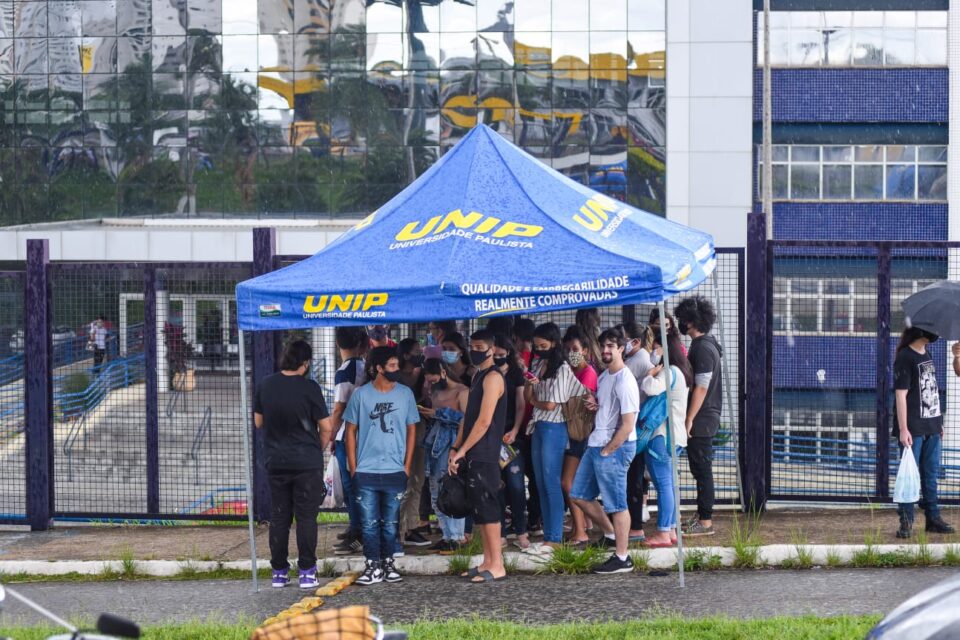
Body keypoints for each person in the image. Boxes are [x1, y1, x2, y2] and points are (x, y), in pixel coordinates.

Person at [253, 340, 333, 589]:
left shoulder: (265, 385)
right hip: (306, 463)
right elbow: (327, 427)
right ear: (306, 362)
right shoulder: (310, 388)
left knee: (279, 517)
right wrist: (314, 449)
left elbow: (258, 422)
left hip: (276, 461)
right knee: (306, 517)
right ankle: (307, 571)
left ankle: (279, 572)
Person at [345, 347, 420, 586]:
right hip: (366, 470)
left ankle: (388, 564)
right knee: (368, 524)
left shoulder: (406, 394)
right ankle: (372, 566)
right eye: (392, 366)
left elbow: (412, 429)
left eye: (397, 365)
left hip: (395, 470)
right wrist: (353, 466)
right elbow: (350, 430)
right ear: (378, 368)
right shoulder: (360, 395)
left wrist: (407, 465)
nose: (397, 370)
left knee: (390, 524)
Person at [569, 328, 640, 574]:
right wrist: (595, 405)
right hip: (596, 443)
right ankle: (610, 535)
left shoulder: (625, 380)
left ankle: (623, 558)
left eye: (612, 346)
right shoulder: (604, 376)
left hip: (613, 447)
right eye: (604, 346)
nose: (606, 350)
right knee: (578, 495)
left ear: (621, 348)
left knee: (617, 504)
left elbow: (628, 424)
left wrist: (610, 450)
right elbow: (608, 408)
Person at [449, 329, 508, 582]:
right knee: (480, 511)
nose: (475, 350)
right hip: (472, 451)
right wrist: (456, 447)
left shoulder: (493, 378)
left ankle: (498, 564)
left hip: (486, 452)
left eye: (480, 346)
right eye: (472, 345)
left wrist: (462, 450)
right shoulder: (477, 376)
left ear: (492, 349)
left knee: (489, 507)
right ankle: (488, 560)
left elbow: (484, 422)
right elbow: (469, 417)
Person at [524, 322, 582, 552]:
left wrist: (534, 400)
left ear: (555, 343)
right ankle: (549, 535)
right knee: (539, 483)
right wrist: (531, 388)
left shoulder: (563, 369)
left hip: (554, 427)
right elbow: (529, 394)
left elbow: (549, 404)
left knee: (551, 482)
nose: (539, 350)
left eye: (543, 345)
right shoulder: (538, 363)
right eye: (536, 346)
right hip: (538, 425)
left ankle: (554, 538)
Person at [894, 326, 955, 538]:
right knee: (910, 476)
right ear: (921, 332)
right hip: (913, 428)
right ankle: (906, 521)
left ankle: (933, 518)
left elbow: (931, 390)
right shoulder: (905, 357)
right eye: (932, 330)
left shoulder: (926, 354)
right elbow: (901, 395)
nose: (936, 334)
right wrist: (903, 429)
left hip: (932, 425)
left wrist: (939, 422)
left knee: (930, 475)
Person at [675, 296, 723, 537]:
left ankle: (705, 522)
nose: (681, 323)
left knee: (702, 469)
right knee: (699, 467)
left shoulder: (703, 347)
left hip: (702, 418)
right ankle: (701, 516)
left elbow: (701, 386)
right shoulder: (706, 343)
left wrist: (689, 418)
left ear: (692, 321)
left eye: (683, 319)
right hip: (705, 416)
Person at [639, 330, 692, 547]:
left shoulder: (668, 372)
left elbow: (650, 388)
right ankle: (670, 530)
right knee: (669, 484)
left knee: (663, 485)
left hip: (662, 435)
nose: (653, 351)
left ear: (665, 349)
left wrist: (649, 374)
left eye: (656, 347)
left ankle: (662, 532)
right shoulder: (682, 371)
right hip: (676, 436)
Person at [419, 358, 468, 552]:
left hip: (452, 442)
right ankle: (447, 535)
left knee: (452, 489)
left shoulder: (462, 391)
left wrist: (439, 413)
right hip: (434, 443)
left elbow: (467, 419)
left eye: (432, 380)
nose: (430, 384)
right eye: (428, 381)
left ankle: (456, 536)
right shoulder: (435, 391)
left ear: (443, 372)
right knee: (435, 490)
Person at [331, 327, 367, 557]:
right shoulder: (365, 367)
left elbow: (338, 408)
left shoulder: (345, 371)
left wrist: (331, 435)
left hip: (348, 434)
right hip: (365, 432)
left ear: (337, 343)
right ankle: (358, 526)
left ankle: (357, 530)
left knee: (351, 485)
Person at [561, 326, 599, 546]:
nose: (571, 353)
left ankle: (581, 533)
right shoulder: (571, 370)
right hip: (571, 434)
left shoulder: (588, 373)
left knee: (568, 484)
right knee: (572, 483)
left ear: (585, 350)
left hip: (580, 435)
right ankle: (583, 525)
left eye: (575, 349)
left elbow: (577, 405)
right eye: (567, 349)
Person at [494, 333, 531, 550]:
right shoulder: (485, 374)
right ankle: (500, 532)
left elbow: (520, 405)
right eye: (494, 354)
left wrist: (516, 430)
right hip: (491, 438)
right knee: (497, 485)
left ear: (508, 353)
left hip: (511, 437)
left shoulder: (516, 375)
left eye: (501, 354)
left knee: (516, 486)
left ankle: (521, 531)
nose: (498, 358)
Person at [396, 337, 431, 549]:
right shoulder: (397, 378)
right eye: (417, 351)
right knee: (403, 483)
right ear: (406, 355)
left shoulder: (420, 376)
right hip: (400, 435)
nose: (421, 355)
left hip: (418, 432)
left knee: (417, 482)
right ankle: (398, 529)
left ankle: (412, 526)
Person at [620, 321, 653, 541]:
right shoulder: (635, 358)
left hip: (635, 424)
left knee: (633, 477)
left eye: (623, 339)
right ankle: (633, 525)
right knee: (632, 476)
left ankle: (636, 528)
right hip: (634, 423)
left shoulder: (639, 360)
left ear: (636, 341)